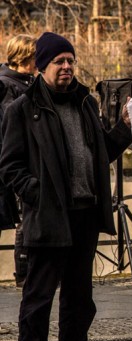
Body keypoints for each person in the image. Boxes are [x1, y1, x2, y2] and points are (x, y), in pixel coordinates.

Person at [0, 32, 132, 341]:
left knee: (79, 299)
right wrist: (39, 195)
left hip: (84, 217)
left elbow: (103, 153)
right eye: (59, 61)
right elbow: (9, 166)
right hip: (47, 217)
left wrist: (126, 126)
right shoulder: (22, 109)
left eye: (71, 61)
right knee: (38, 301)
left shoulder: (85, 103)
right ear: (43, 65)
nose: (67, 66)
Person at [0, 34, 37, 289]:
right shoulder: (8, 86)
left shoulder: (27, 82)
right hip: (17, 165)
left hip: (29, 162)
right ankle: (23, 274)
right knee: (24, 219)